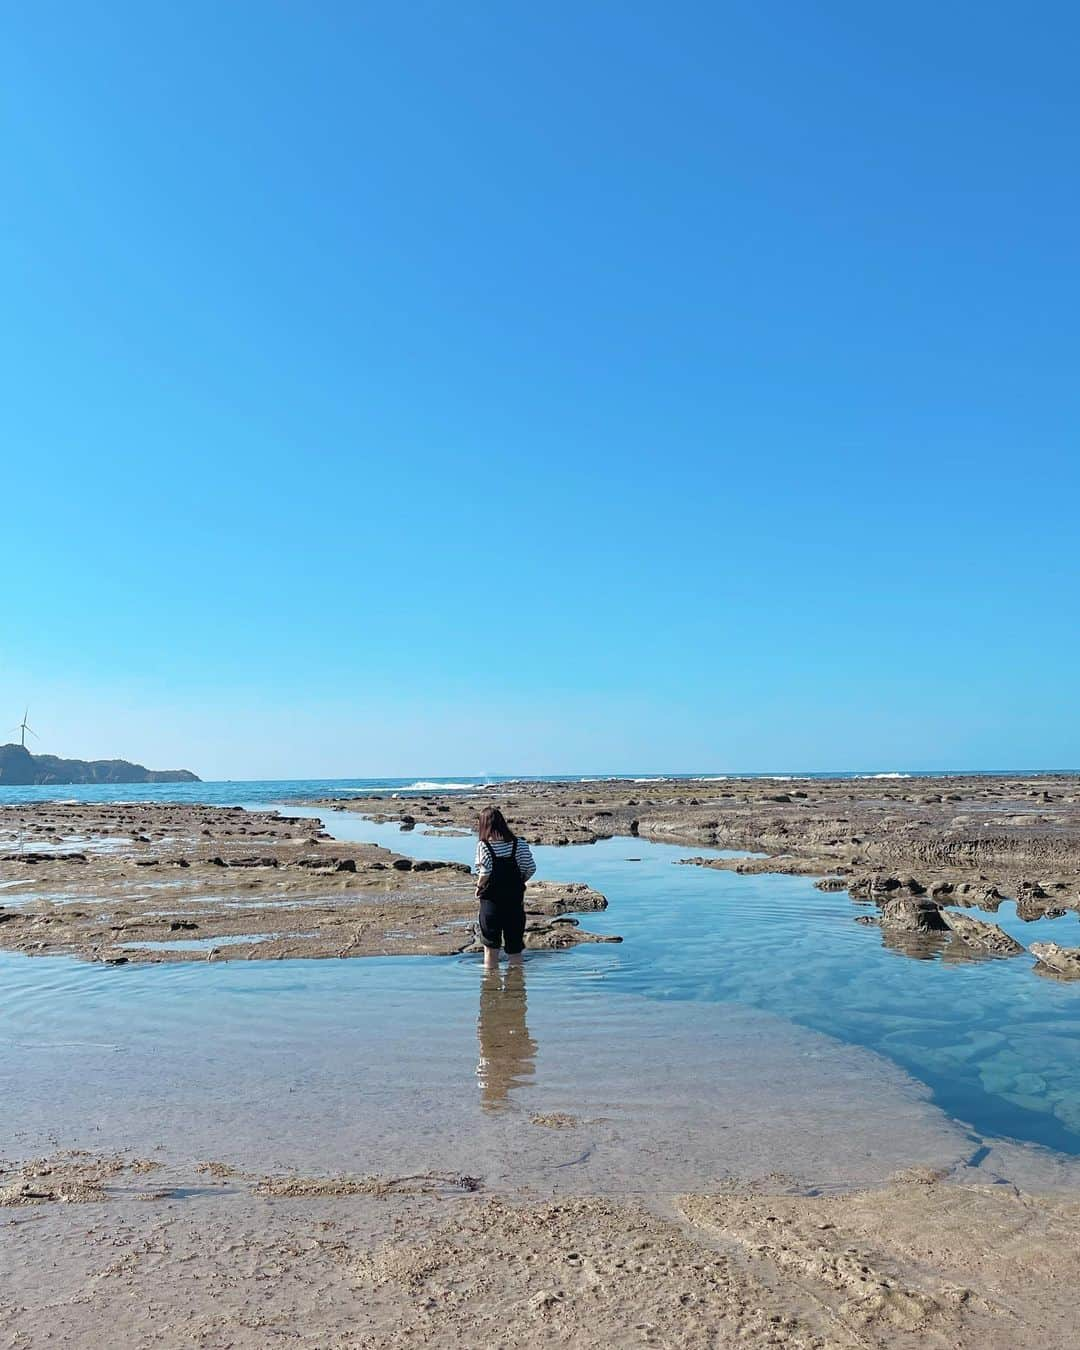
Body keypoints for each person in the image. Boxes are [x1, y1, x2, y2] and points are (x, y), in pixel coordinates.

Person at [474, 806, 536, 970]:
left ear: (484, 825)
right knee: (515, 950)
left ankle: (490, 988)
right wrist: (519, 881)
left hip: (491, 903)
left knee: (490, 949)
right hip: (514, 902)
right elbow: (530, 868)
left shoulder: (484, 846)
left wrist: (479, 887)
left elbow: (485, 871)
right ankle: (517, 989)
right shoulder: (519, 844)